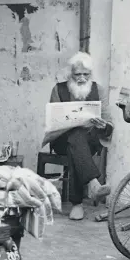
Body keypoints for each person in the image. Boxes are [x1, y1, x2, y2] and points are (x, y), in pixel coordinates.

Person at [49, 52, 113, 221]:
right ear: (70, 74)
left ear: (91, 74)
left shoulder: (98, 90)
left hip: (90, 140)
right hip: (62, 139)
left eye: (86, 74)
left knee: (77, 142)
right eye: (77, 74)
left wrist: (103, 125)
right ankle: (93, 183)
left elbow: (109, 124)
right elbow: (52, 122)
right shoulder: (58, 89)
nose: (82, 78)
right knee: (75, 135)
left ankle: (77, 204)